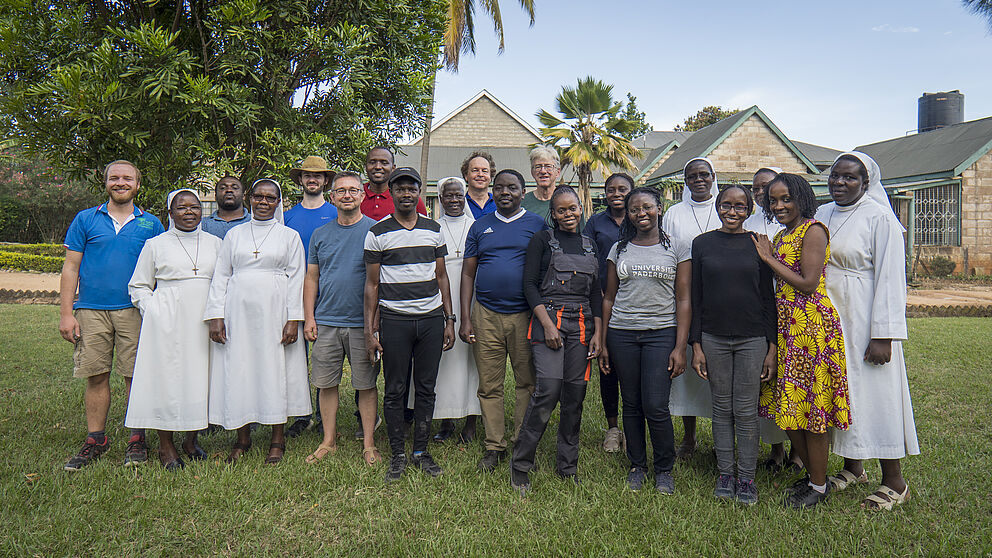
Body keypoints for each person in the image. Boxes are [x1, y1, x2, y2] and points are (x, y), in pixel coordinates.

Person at [817, 152, 918, 510]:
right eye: (835, 176)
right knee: (842, 390)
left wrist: (883, 335)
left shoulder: (880, 218)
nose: (840, 183)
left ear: (866, 182)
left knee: (876, 394)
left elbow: (891, 279)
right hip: (830, 318)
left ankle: (894, 481)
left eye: (849, 177)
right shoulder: (823, 212)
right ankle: (853, 467)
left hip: (864, 317)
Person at [752, 173, 851, 509]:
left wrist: (768, 259)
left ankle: (819, 487)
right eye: (773, 200)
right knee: (788, 405)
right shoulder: (783, 235)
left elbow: (808, 282)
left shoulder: (813, 230)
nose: (779, 205)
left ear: (802, 199)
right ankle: (813, 477)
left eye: (786, 199)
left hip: (811, 328)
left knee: (811, 409)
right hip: (786, 327)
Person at [60, 160, 166, 471]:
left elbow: (161, 271)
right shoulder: (85, 219)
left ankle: (137, 437)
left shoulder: (151, 224)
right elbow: (71, 267)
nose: (121, 183)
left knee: (136, 375)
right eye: (114, 178)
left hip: (135, 310)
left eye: (127, 178)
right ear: (105, 182)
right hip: (91, 310)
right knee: (96, 374)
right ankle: (96, 438)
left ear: (138, 184)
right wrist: (67, 313)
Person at [204, 178, 311, 466]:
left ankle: (277, 439)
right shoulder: (235, 235)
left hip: (275, 311)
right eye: (259, 197)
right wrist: (215, 316)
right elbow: (221, 276)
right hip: (237, 312)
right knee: (240, 369)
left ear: (278, 202)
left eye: (270, 198)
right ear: (250, 198)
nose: (264, 202)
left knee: (275, 370)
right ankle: (242, 438)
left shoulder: (288, 236)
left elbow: (297, 278)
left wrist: (293, 319)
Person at [363, 167, 456, 483]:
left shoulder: (434, 229)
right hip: (395, 320)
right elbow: (372, 285)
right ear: (391, 192)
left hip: (430, 319)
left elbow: (441, 276)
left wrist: (449, 319)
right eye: (400, 188)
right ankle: (398, 455)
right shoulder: (377, 233)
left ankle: (421, 451)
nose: (406, 194)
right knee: (395, 388)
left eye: (411, 188)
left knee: (426, 387)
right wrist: (370, 332)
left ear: (419, 192)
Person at [510, 186, 602, 494]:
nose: (568, 214)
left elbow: (596, 292)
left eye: (572, 208)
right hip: (549, 320)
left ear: (580, 208)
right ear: (553, 213)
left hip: (583, 324)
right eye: (561, 210)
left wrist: (598, 333)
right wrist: (547, 325)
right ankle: (521, 465)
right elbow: (529, 285)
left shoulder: (590, 245)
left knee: (575, 398)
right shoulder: (542, 240)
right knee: (547, 392)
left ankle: (567, 467)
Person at [599, 186, 690, 494]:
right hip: (622, 333)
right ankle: (637, 465)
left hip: (661, 333)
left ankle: (664, 468)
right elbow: (609, 298)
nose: (642, 213)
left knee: (655, 404)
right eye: (634, 209)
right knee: (632, 403)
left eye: (647, 207)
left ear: (659, 208)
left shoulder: (677, 247)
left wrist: (680, 347)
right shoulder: (619, 249)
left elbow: (684, 299)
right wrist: (604, 341)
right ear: (628, 214)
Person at [689, 184, 776, 505]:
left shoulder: (758, 244)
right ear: (717, 206)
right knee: (721, 408)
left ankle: (747, 478)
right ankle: (725, 474)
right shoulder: (702, 244)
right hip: (713, 337)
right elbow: (696, 296)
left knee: (746, 410)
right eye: (726, 205)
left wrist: (772, 347)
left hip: (752, 338)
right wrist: (696, 344)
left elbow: (768, 298)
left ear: (749, 210)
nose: (732, 211)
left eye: (740, 206)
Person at [125, 189, 222, 470]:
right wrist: (153, 309)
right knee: (167, 379)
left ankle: (191, 440)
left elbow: (224, 280)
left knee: (199, 378)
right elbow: (139, 285)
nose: (189, 212)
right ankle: (165, 445)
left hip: (205, 319)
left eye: (194, 207)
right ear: (170, 212)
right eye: (182, 207)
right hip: (167, 320)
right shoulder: (156, 244)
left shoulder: (216, 243)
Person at [460, 169, 546, 473]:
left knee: (527, 382)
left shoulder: (537, 225)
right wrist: (465, 318)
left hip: (525, 315)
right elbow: (467, 273)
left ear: (523, 192)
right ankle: (494, 445)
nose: (505, 192)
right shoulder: (479, 226)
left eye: (512, 187)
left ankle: (522, 444)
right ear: (492, 192)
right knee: (489, 384)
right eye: (499, 188)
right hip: (486, 314)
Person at [302, 171, 380, 465]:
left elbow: (381, 281)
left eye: (353, 190)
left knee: (366, 384)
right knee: (326, 383)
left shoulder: (375, 232)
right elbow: (312, 277)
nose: (347, 195)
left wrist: (376, 324)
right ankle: (328, 441)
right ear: (332, 196)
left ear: (362, 195)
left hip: (363, 324)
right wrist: (309, 317)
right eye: (341, 191)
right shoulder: (320, 235)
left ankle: (369, 444)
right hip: (327, 321)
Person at [662, 157, 720, 460]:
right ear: (685, 181)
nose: (698, 180)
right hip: (685, 295)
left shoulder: (725, 207)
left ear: (713, 177)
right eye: (692, 176)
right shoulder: (674, 213)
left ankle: (724, 436)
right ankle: (689, 436)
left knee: (720, 368)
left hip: (721, 296)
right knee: (686, 371)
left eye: (704, 174)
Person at [744, 167, 801, 473]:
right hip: (766, 308)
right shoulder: (749, 223)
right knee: (770, 386)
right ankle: (776, 449)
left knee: (793, 384)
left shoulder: (797, 223)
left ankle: (799, 454)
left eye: (766, 187)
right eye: (757, 189)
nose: (761, 194)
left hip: (795, 311)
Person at [284, 155, 338, 438]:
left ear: (325, 180)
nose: (312, 179)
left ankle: (322, 413)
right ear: (301, 180)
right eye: (307, 175)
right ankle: (301, 413)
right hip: (294, 293)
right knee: (296, 356)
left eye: (317, 175)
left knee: (323, 356)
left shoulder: (335, 212)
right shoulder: (288, 217)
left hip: (326, 294)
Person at [583, 172, 631, 453]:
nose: (616, 194)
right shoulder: (596, 222)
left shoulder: (641, 218)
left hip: (637, 303)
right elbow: (588, 256)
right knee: (608, 365)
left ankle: (634, 428)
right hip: (604, 301)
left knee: (633, 370)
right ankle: (613, 429)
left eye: (622, 189)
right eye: (611, 189)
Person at [430, 177, 481, 443]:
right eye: (448, 196)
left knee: (472, 361)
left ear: (465, 197)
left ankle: (471, 420)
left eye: (458, 195)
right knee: (445, 361)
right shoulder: (433, 228)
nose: (453, 200)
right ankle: (446, 419)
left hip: (472, 297)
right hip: (443, 297)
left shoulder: (477, 226)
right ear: (440, 199)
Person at [361, 147, 428, 221]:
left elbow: (424, 225)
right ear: (365, 167)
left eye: (384, 163)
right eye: (372, 162)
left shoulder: (409, 199)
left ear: (393, 168)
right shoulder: (356, 195)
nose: (378, 167)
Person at [521, 146, 559, 217]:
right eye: (538, 167)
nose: (543, 171)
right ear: (532, 172)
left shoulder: (568, 200)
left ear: (558, 172)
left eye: (548, 166)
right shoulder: (522, 203)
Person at [462, 151, 497, 218]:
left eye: (485, 171)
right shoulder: (460, 204)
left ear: (490, 177)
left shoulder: (499, 203)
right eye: (475, 170)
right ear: (466, 175)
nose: (480, 174)